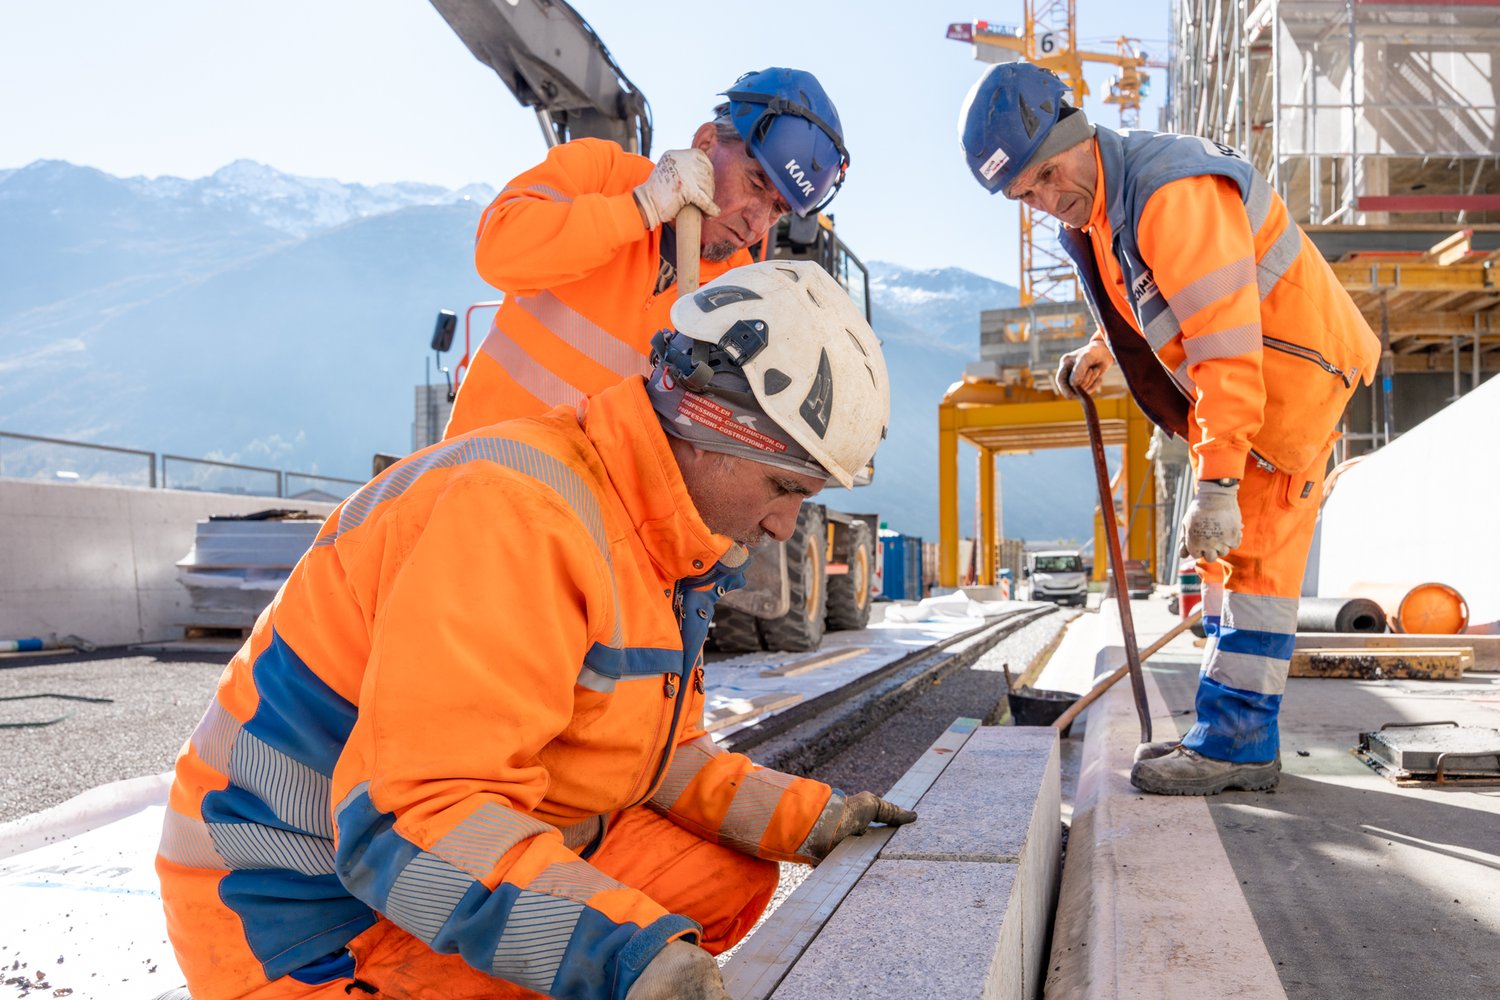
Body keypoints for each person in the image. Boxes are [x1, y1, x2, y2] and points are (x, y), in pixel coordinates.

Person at [156, 260, 910, 1000]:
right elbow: (409, 821)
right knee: (631, 952)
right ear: (711, 430)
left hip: (412, 845)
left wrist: (813, 820)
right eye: (786, 488)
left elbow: (657, 757)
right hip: (301, 916)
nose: (785, 524)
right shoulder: (515, 517)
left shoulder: (656, 536)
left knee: (722, 878)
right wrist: (622, 958)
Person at [957, 62, 1381, 796]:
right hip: (1256, 386)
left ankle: (1239, 747)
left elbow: (1223, 345)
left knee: (1256, 567)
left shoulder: (1168, 194)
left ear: (1076, 130)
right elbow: (1151, 293)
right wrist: (1103, 348)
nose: (1046, 202)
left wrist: (1217, 481)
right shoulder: (1103, 207)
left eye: (1048, 177)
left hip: (1289, 387)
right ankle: (1226, 734)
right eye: (1025, 196)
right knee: (1223, 567)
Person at [444, 67, 848, 437]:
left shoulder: (743, 298)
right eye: (757, 182)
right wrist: (640, 208)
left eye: (778, 208)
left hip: (576, 515)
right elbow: (497, 253)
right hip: (473, 483)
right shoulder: (601, 173)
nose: (757, 222)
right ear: (705, 143)